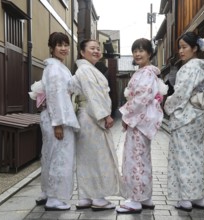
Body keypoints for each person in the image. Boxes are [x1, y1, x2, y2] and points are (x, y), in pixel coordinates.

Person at [163, 32, 204, 212]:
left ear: (195, 48)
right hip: (199, 116)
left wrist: (167, 106)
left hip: (185, 117)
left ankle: (185, 198)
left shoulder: (188, 69)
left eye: (184, 47)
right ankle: (197, 197)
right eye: (179, 47)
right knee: (195, 155)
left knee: (182, 156)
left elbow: (181, 94)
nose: (180, 51)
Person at [116, 38, 168, 214]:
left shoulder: (145, 74)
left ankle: (136, 199)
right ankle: (145, 197)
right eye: (135, 50)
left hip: (139, 120)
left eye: (142, 50)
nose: (137, 54)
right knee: (142, 158)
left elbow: (141, 99)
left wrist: (125, 114)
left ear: (149, 53)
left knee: (135, 158)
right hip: (142, 120)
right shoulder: (144, 73)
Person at [69, 39, 121, 211]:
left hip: (86, 116)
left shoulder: (86, 70)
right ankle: (98, 198)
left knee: (86, 157)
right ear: (82, 52)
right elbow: (93, 95)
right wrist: (105, 115)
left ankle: (85, 196)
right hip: (91, 117)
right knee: (98, 157)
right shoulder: (85, 70)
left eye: (98, 49)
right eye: (92, 48)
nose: (97, 51)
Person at [29, 32, 80, 211]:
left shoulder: (56, 67)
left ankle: (46, 192)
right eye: (59, 45)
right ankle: (54, 198)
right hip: (58, 119)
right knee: (60, 156)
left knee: (49, 155)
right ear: (52, 48)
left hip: (53, 118)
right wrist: (58, 123)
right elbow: (55, 96)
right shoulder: (55, 69)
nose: (64, 48)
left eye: (66, 45)